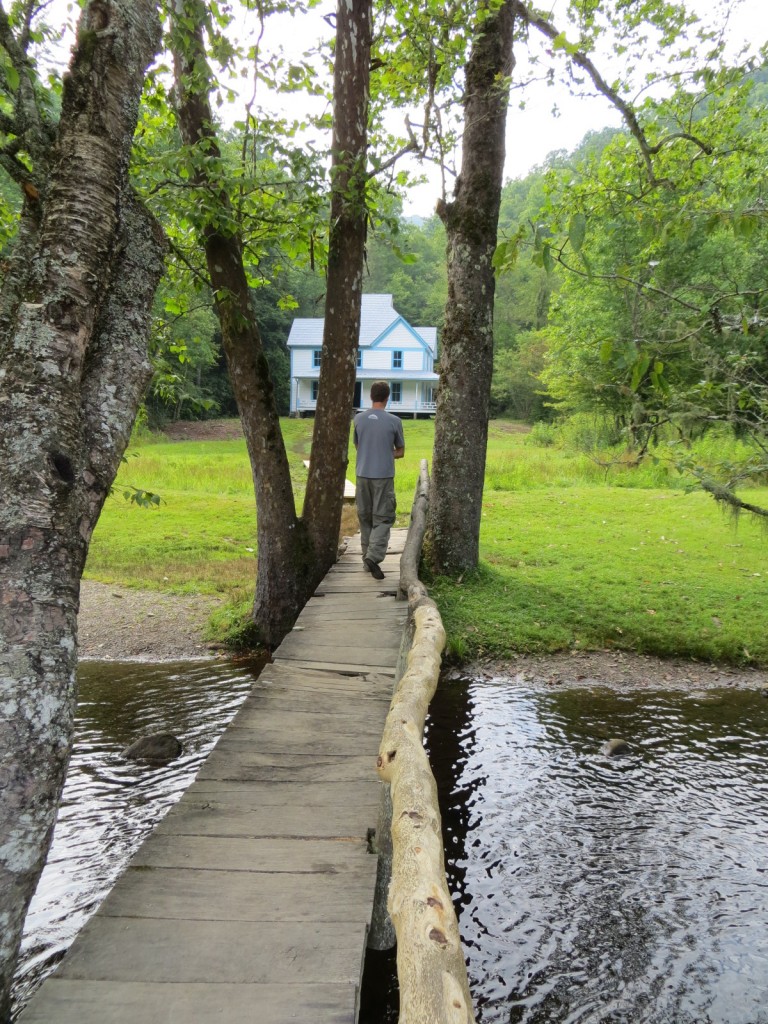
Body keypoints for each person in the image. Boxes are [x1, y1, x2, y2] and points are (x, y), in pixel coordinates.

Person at [353, 381, 405, 580]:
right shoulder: (394, 421)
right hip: (383, 476)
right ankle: (373, 557)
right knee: (383, 518)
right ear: (387, 397)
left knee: (365, 517)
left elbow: (358, 445)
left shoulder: (358, 419)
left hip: (362, 474)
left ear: (371, 396)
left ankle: (367, 559)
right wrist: (387, 452)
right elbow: (400, 451)